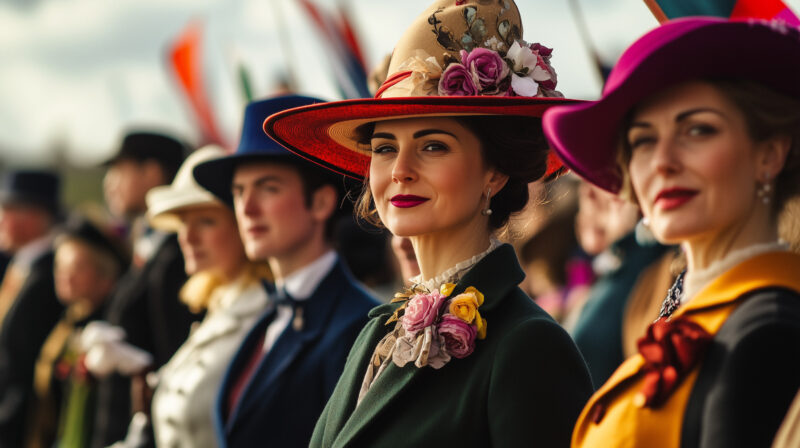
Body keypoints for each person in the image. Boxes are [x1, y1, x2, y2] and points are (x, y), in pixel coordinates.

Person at [263, 1, 594, 446]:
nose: (400, 169)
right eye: (383, 148)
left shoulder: (527, 345)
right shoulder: (377, 330)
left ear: (494, 173)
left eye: (433, 146)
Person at [542, 17, 800, 447]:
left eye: (698, 130)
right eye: (643, 140)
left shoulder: (767, 332)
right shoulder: (695, 308)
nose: (662, 161)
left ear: (769, 154)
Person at [192, 96, 379, 447]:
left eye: (268, 188)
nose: (246, 208)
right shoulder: (268, 313)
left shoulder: (357, 325)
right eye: (238, 191)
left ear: (322, 202)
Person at [135, 145, 269, 447]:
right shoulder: (218, 305)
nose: (187, 236)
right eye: (183, 222)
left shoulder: (265, 311)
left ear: (243, 224)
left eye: (206, 221)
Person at [92, 131, 196, 447]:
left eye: (118, 171)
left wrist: (141, 365)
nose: (109, 184)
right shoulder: (149, 246)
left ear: (151, 172)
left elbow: (173, 357)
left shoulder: (175, 257)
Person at [26, 215, 127, 448]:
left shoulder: (110, 329)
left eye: (78, 267)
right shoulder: (70, 320)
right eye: (60, 267)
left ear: (106, 274)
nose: (65, 277)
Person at [0, 170, 64, 448]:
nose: (0, 220)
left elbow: (23, 371)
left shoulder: (46, 277)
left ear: (34, 216)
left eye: (7, 209)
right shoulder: (23, 267)